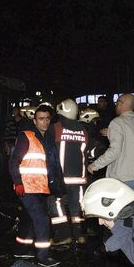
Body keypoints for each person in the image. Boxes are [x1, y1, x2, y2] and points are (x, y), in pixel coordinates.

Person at [9, 104, 63, 267]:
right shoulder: (27, 136)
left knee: (29, 220)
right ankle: (42, 256)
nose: (44, 122)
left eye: (47, 119)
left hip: (41, 187)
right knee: (42, 221)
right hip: (27, 187)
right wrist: (18, 182)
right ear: (34, 120)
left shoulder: (47, 138)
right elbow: (14, 161)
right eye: (41, 119)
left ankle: (20, 249)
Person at [87, 93, 134, 194]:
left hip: (125, 176)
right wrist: (111, 133)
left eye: (117, 103)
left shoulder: (117, 122)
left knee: (123, 208)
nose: (116, 105)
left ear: (122, 104)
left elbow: (114, 151)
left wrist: (94, 165)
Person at [49, 99, 89, 245]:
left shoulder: (55, 128)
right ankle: (79, 235)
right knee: (77, 207)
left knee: (56, 204)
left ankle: (63, 235)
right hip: (79, 179)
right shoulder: (84, 131)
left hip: (61, 178)